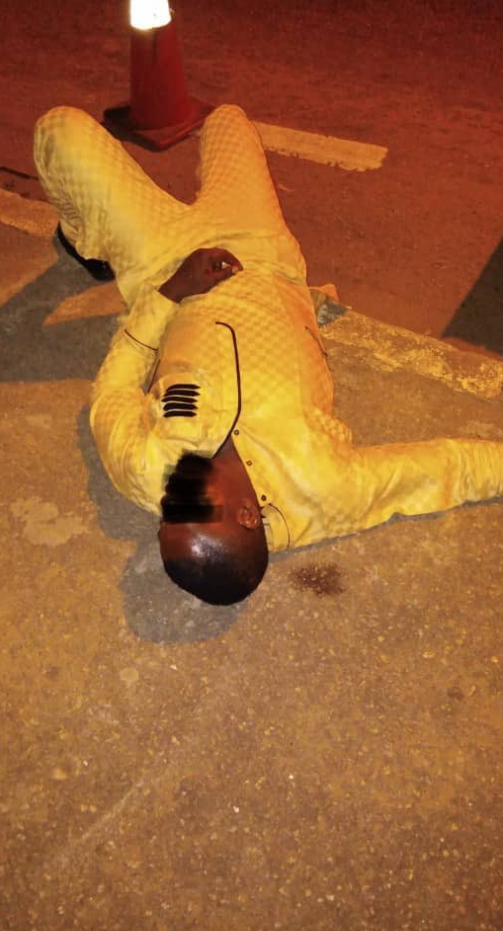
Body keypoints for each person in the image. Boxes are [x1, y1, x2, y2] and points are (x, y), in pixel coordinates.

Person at [34, 104, 503, 605]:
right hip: (262, 251)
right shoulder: (324, 487)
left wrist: (170, 293)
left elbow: (111, 392)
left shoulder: (148, 471)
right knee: (229, 120)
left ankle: (81, 239)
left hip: (160, 261)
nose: (171, 499)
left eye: (167, 517)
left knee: (59, 131)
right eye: (192, 510)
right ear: (246, 516)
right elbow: (444, 469)